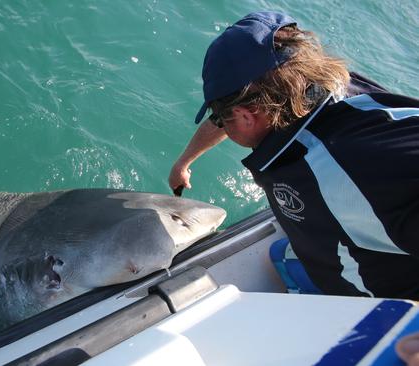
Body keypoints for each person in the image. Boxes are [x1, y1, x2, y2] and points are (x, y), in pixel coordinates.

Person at [170, 11, 419, 300]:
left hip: (377, 304)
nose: (220, 125)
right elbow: (236, 110)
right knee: (278, 254)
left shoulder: (345, 169)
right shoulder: (324, 85)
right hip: (335, 258)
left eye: (223, 118)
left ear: (246, 116)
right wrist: (183, 162)